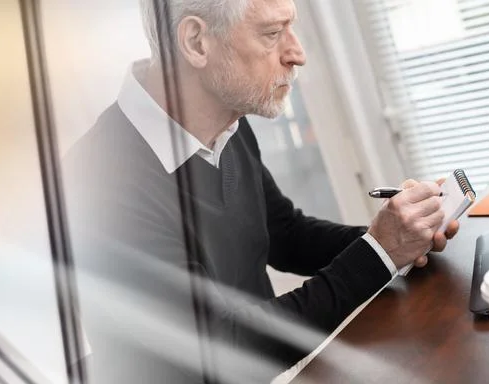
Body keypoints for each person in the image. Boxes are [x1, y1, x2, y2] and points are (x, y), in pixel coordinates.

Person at [62, 0, 459, 382]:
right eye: (272, 33)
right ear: (197, 42)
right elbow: (223, 347)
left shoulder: (222, 122)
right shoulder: (101, 183)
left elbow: (284, 233)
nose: (297, 53)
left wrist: (403, 239)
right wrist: (379, 252)